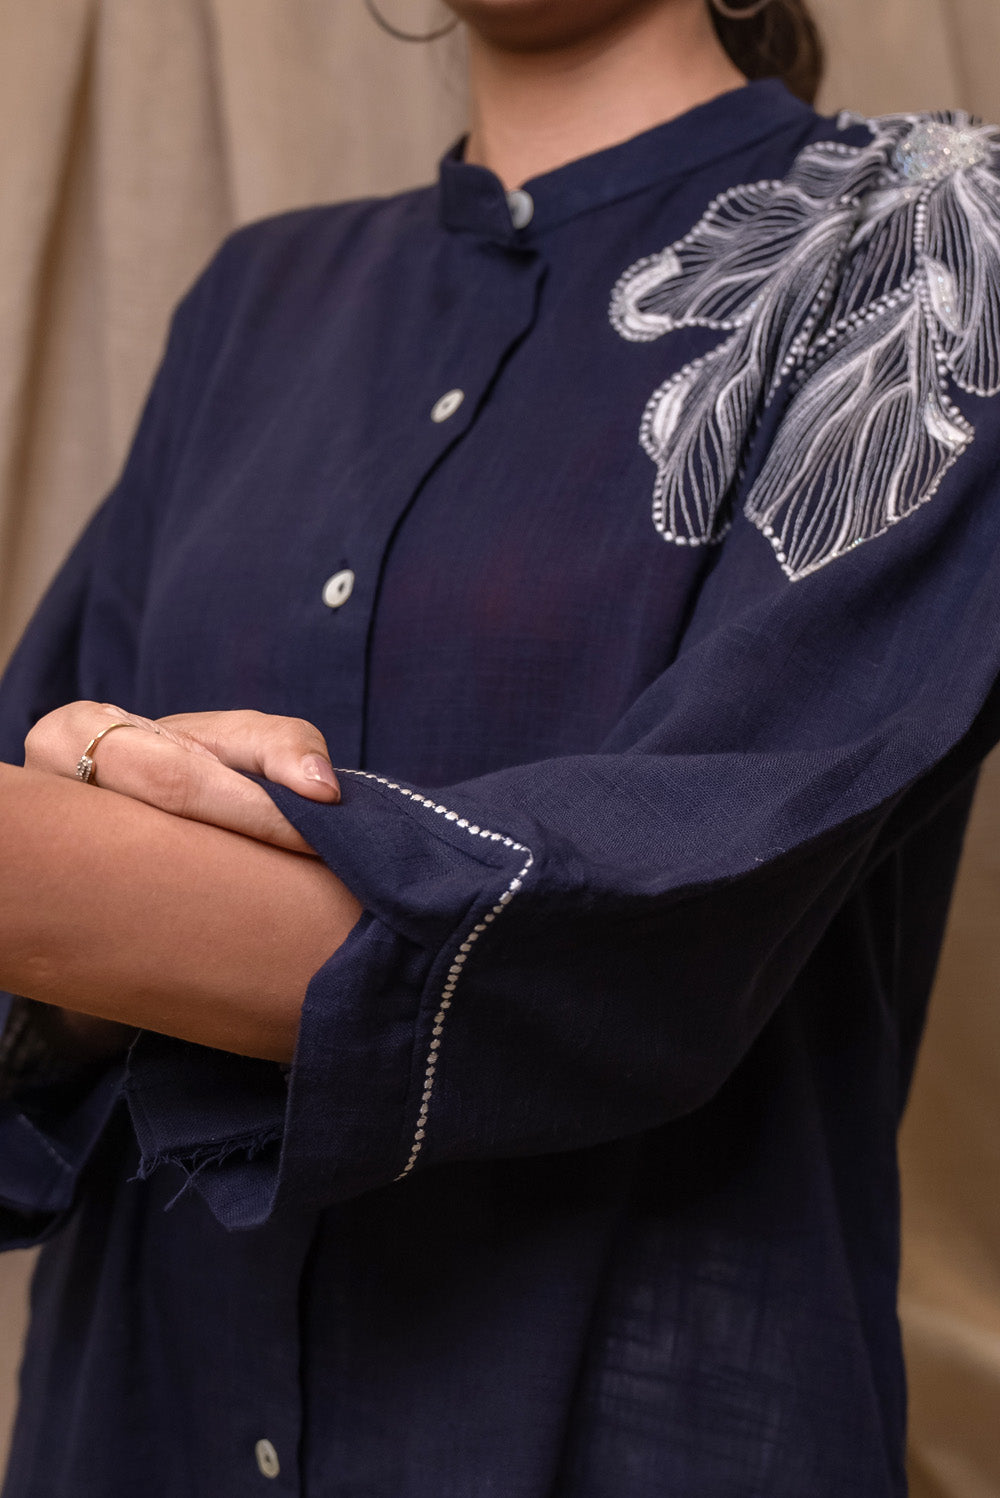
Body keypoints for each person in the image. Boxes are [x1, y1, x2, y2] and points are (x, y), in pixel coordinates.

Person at [1, 0, 999, 1492]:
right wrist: (97, 861)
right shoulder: (252, 303)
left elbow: (662, 911)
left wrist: (111, 886)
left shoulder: (932, 237)